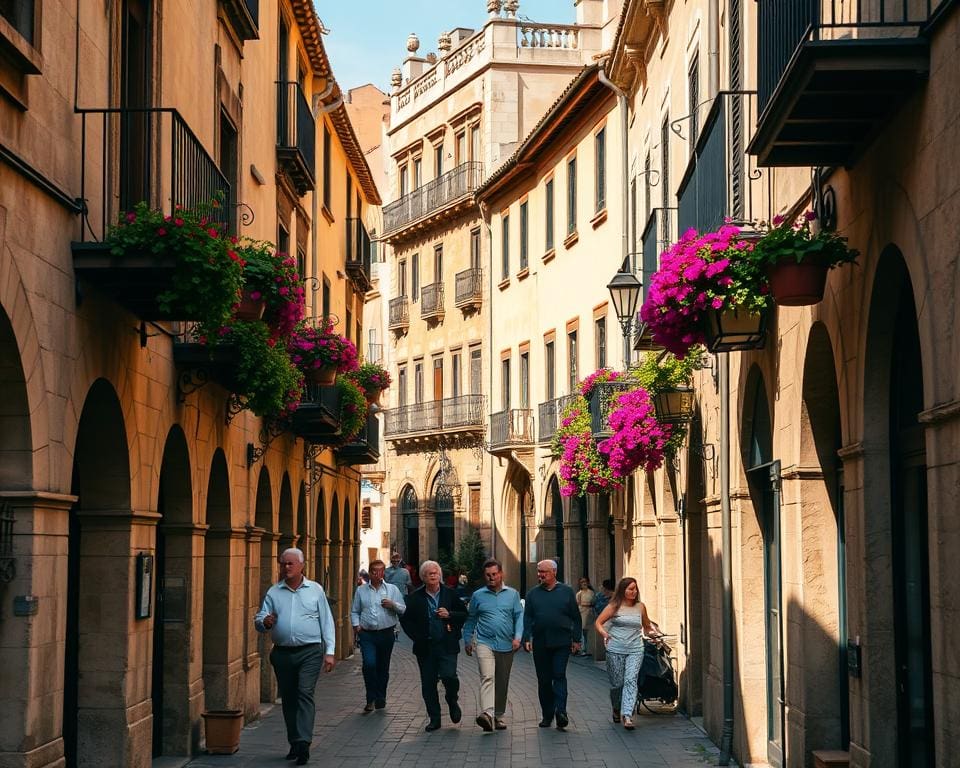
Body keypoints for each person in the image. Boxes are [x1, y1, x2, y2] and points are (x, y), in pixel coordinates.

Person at [254, 548, 335, 766]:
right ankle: (294, 740)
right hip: (282, 654)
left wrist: (330, 652)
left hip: (310, 651)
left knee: (304, 693)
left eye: (290, 564)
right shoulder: (274, 592)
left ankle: (304, 742)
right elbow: (260, 618)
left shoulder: (315, 590)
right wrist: (265, 622)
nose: (285, 567)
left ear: (302, 566)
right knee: (289, 698)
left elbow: (327, 621)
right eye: (282, 563)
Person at [399, 560, 467, 731]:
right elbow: (405, 620)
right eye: (430, 573)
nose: (434, 575)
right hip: (426, 646)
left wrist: (449, 614)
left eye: (436, 572)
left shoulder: (450, 594)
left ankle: (452, 700)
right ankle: (434, 718)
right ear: (423, 577)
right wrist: (417, 637)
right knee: (428, 683)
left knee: (449, 676)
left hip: (447, 644)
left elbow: (464, 614)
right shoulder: (414, 598)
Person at [462, 558, 523, 732]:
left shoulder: (512, 594)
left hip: (506, 643)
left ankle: (498, 716)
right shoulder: (478, 595)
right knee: (487, 677)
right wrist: (468, 640)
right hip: (484, 642)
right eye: (488, 575)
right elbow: (471, 619)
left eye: (494, 574)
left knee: (502, 680)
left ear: (501, 574)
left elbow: (519, 616)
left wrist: (518, 637)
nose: (491, 578)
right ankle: (487, 714)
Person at [522, 559, 582, 730]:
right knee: (544, 680)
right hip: (540, 642)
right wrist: (526, 638)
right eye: (539, 571)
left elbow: (576, 617)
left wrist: (576, 640)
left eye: (544, 572)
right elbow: (528, 617)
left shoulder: (566, 592)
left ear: (554, 572)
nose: (541, 575)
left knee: (559, 675)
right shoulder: (533, 594)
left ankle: (561, 712)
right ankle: (547, 714)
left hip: (562, 642)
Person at [594, 576, 656, 730]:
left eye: (635, 589)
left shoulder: (640, 607)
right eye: (630, 589)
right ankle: (616, 707)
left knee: (631, 680)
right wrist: (604, 634)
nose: (633, 592)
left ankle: (627, 714)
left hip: (635, 649)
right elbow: (598, 623)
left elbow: (646, 626)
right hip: (615, 648)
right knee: (617, 684)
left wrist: (652, 633)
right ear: (623, 590)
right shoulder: (614, 606)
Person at [350, 559, 406, 712]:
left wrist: (392, 605)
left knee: (383, 666)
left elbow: (403, 609)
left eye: (380, 571)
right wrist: (356, 625)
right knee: (369, 664)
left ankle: (381, 696)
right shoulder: (361, 590)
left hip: (387, 633)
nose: (377, 574)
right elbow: (355, 610)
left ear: (384, 573)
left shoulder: (392, 590)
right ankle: (370, 698)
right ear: (369, 572)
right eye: (374, 571)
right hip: (367, 634)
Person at [576, 577, 597, 656]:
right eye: (582, 582)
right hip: (582, 611)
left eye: (585, 581)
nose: (584, 583)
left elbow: (594, 601)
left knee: (589, 630)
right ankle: (583, 649)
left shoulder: (591, 592)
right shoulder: (579, 593)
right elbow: (578, 603)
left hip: (590, 611)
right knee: (582, 630)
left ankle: (590, 649)